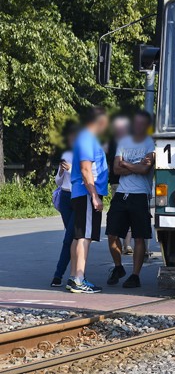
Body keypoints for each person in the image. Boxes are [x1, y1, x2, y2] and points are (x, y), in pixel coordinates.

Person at [105, 110, 155, 288]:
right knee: (111, 234)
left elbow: (145, 170)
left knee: (139, 237)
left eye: (142, 124)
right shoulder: (124, 142)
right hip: (122, 194)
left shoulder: (151, 143)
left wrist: (126, 164)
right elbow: (116, 170)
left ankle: (135, 275)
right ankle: (118, 267)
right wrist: (134, 165)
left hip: (140, 195)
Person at [68, 106, 110, 294]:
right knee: (84, 236)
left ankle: (75, 277)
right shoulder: (87, 139)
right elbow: (86, 170)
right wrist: (94, 195)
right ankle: (78, 279)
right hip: (86, 193)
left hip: (85, 193)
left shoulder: (88, 139)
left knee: (79, 236)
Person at [50, 124, 79, 287]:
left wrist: (71, 168)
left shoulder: (85, 155)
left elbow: (90, 175)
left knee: (69, 238)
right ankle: (74, 271)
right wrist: (61, 171)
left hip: (78, 197)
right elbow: (58, 181)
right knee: (71, 237)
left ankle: (59, 274)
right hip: (66, 197)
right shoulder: (66, 154)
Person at [107, 115, 132, 253]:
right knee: (124, 213)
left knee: (123, 213)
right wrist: (133, 168)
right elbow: (115, 165)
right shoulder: (117, 142)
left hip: (119, 182)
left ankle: (126, 244)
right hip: (118, 182)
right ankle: (125, 244)